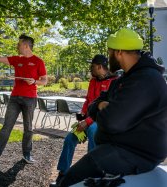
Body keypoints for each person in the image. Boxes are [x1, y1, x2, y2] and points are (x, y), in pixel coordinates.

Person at [57, 28, 167, 187]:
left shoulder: (146, 79)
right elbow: (95, 104)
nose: (109, 58)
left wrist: (104, 108)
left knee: (69, 182)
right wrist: (102, 105)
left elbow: (111, 121)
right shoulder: (125, 79)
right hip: (120, 148)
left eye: (110, 52)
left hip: (135, 154)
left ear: (119, 52)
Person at [0, 34, 47, 163]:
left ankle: (27, 155)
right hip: (15, 98)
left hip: (30, 99)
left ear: (26, 46)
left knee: (28, 128)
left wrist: (34, 81)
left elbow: (44, 81)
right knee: (6, 126)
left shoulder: (38, 61)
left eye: (19, 44)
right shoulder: (16, 59)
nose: (17, 46)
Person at [50, 54, 117, 186]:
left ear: (99, 67)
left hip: (102, 122)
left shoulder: (113, 82)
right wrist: (83, 114)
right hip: (87, 120)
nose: (89, 68)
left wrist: (88, 122)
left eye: (92, 66)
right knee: (69, 139)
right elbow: (88, 100)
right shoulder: (93, 81)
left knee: (92, 130)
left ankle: (92, 173)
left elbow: (107, 109)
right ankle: (63, 173)